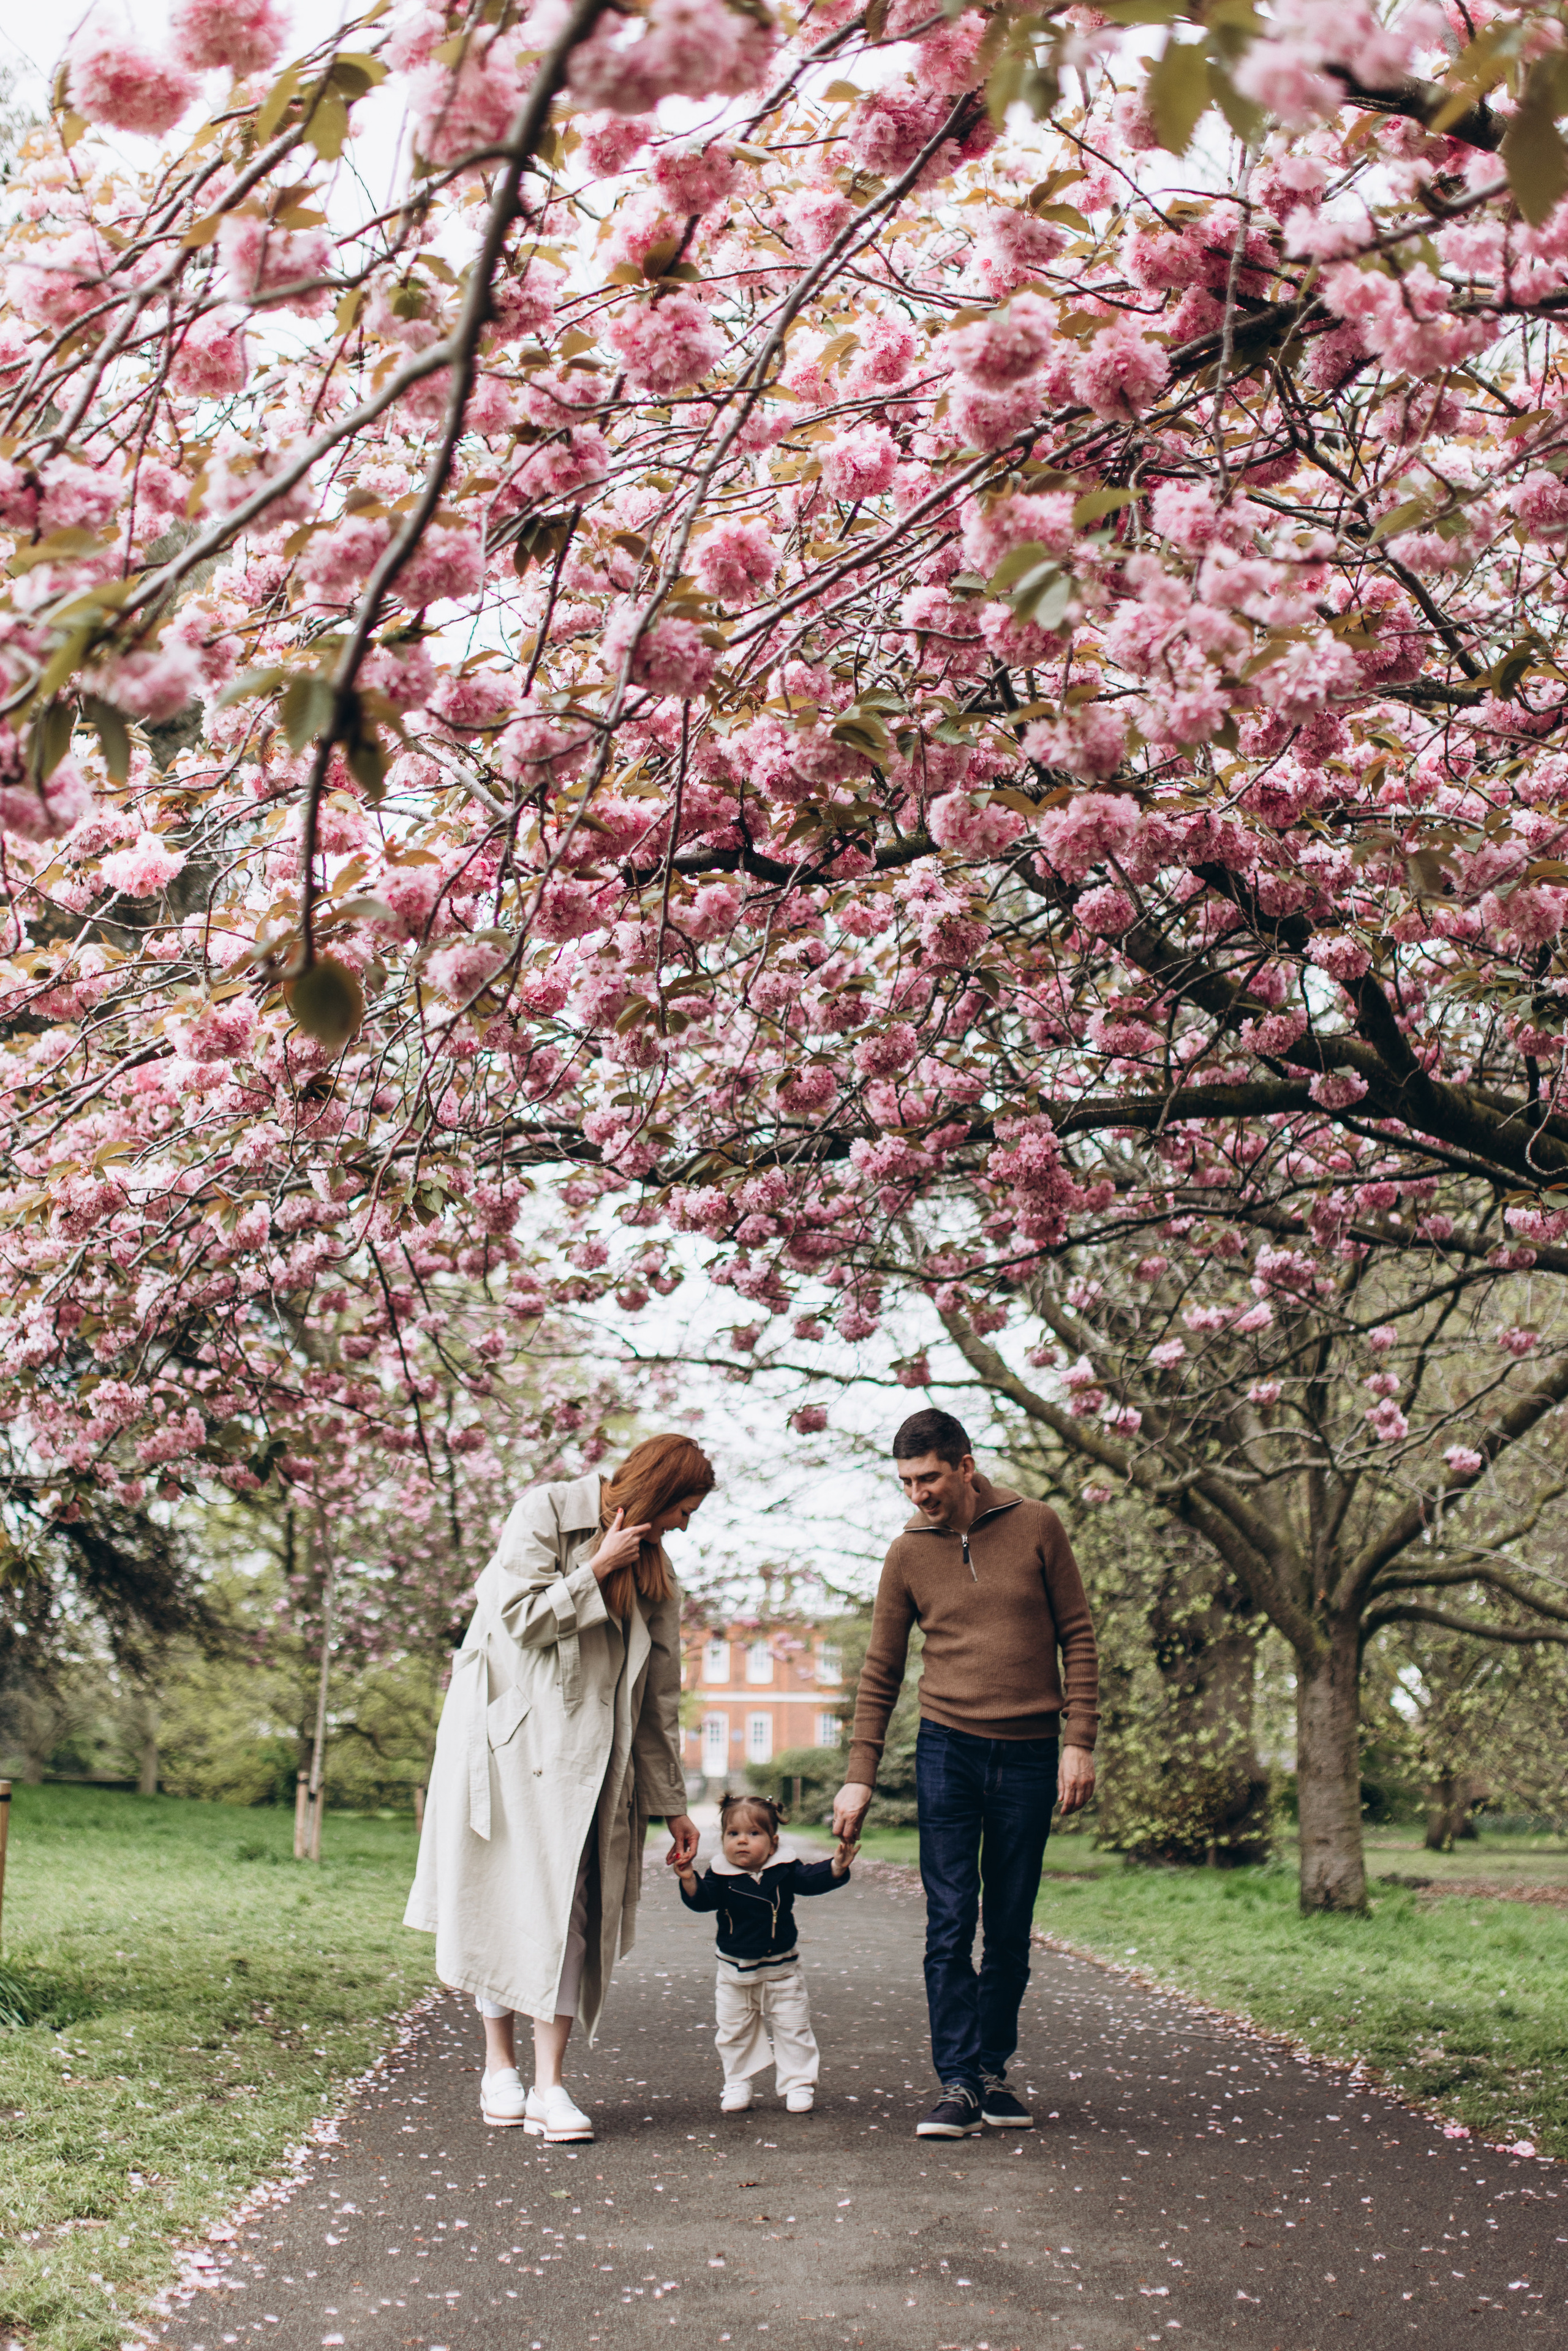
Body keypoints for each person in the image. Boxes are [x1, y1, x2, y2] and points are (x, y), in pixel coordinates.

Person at [405, 1434, 711, 2143]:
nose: (684, 1526)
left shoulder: (658, 1576)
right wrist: (596, 1568)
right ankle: (498, 2067)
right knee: (505, 1903)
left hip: (596, 1765)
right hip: (510, 1750)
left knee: (573, 1913)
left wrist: (670, 1803)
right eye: (683, 1509)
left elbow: (657, 1697)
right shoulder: (543, 1512)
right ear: (656, 1491)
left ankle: (550, 2085)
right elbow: (517, 1617)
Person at [832, 1408, 1099, 2141]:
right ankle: (955, 2080)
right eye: (906, 1482)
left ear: (965, 1466)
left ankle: (990, 2071)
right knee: (949, 1920)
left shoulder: (1038, 1524)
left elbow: (1077, 1634)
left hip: (1029, 1751)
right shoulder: (906, 1552)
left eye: (928, 1478)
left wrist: (1080, 1738)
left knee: (1009, 1924)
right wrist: (860, 1773)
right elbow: (880, 1671)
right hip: (946, 1749)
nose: (917, 1493)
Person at [671, 1791, 856, 2115]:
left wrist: (838, 1865)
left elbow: (811, 1879)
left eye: (754, 1834)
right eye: (734, 1834)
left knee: (793, 2028)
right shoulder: (720, 1874)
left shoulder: (783, 1869)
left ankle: (798, 2084)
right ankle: (738, 2082)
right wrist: (689, 1878)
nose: (742, 1841)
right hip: (734, 1973)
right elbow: (702, 1900)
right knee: (734, 2030)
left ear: (773, 1841)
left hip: (782, 1970)